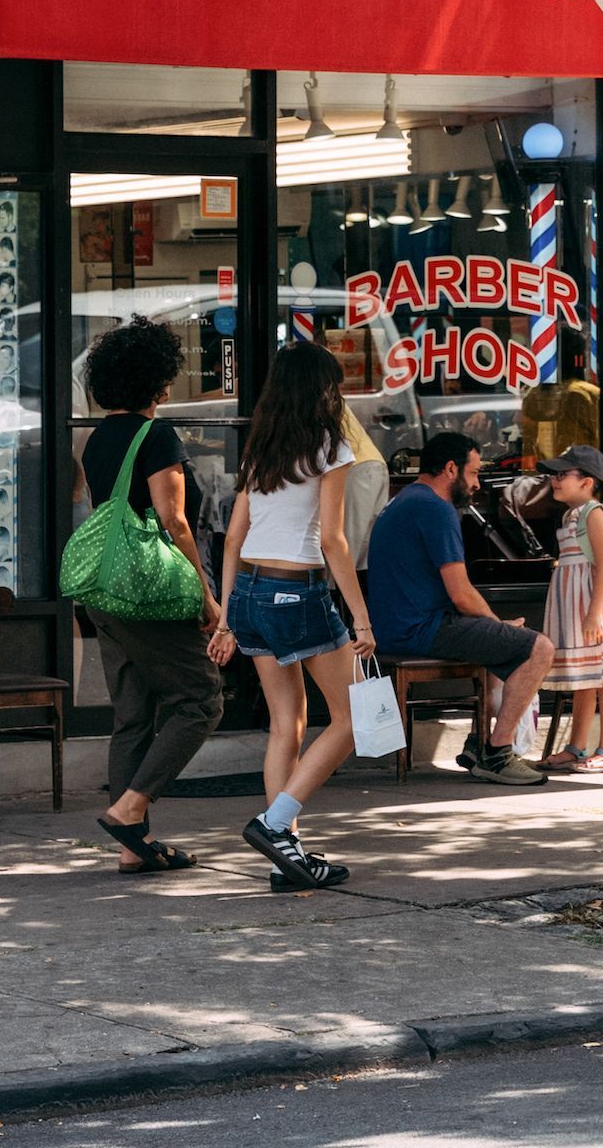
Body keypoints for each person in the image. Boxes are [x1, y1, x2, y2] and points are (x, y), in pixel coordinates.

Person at [208, 342, 374, 891]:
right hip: (296, 592)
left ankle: (287, 854)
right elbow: (332, 539)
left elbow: (233, 538)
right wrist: (362, 619)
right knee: (352, 722)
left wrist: (229, 618)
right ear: (324, 389)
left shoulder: (262, 448)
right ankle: (275, 824)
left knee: (288, 725)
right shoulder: (331, 445)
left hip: (251, 593)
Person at [81, 315, 224, 876]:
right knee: (201, 699)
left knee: (133, 713)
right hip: (148, 589)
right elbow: (175, 521)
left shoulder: (96, 440)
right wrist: (205, 596)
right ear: (158, 383)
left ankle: (132, 847)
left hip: (103, 586)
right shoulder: (156, 435)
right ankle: (128, 810)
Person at [366, 433, 553, 787]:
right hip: (421, 628)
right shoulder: (436, 508)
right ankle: (498, 753)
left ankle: (478, 743)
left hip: (397, 626)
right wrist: (502, 626)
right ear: (451, 469)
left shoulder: (405, 499)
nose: (477, 483)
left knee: (496, 644)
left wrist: (497, 630)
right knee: (539, 648)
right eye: (473, 473)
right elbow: (461, 594)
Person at [536, 446, 603, 774]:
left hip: (594, 606)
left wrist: (594, 613)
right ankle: (576, 747)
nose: (555, 480)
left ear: (587, 482)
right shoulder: (571, 515)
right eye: (554, 474)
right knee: (585, 677)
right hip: (576, 604)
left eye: (563, 475)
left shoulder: (595, 514)